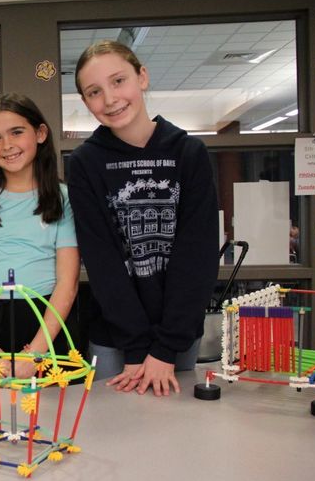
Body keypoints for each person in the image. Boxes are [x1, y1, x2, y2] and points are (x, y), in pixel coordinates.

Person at [67, 40, 218, 396]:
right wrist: (136, 346)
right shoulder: (85, 163)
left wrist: (164, 349)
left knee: (175, 437)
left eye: (118, 81)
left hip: (178, 338)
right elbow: (102, 261)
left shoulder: (190, 153)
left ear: (142, 77)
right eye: (94, 92)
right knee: (115, 438)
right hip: (115, 340)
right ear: (87, 102)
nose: (110, 99)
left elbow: (196, 256)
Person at [0, 93, 80, 379]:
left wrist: (36, 353)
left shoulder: (63, 199)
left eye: (17, 132)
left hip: (46, 324)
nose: (7, 145)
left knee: (48, 418)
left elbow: (67, 282)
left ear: (40, 133)